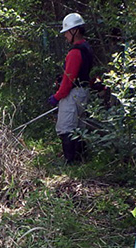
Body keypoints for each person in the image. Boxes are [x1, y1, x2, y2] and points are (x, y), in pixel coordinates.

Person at [48, 13, 93, 164]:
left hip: (73, 94)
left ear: (74, 31)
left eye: (67, 32)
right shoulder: (87, 48)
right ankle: (81, 160)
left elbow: (68, 81)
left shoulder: (75, 53)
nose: (65, 35)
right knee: (79, 126)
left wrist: (57, 96)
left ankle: (70, 162)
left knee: (65, 128)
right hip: (83, 92)